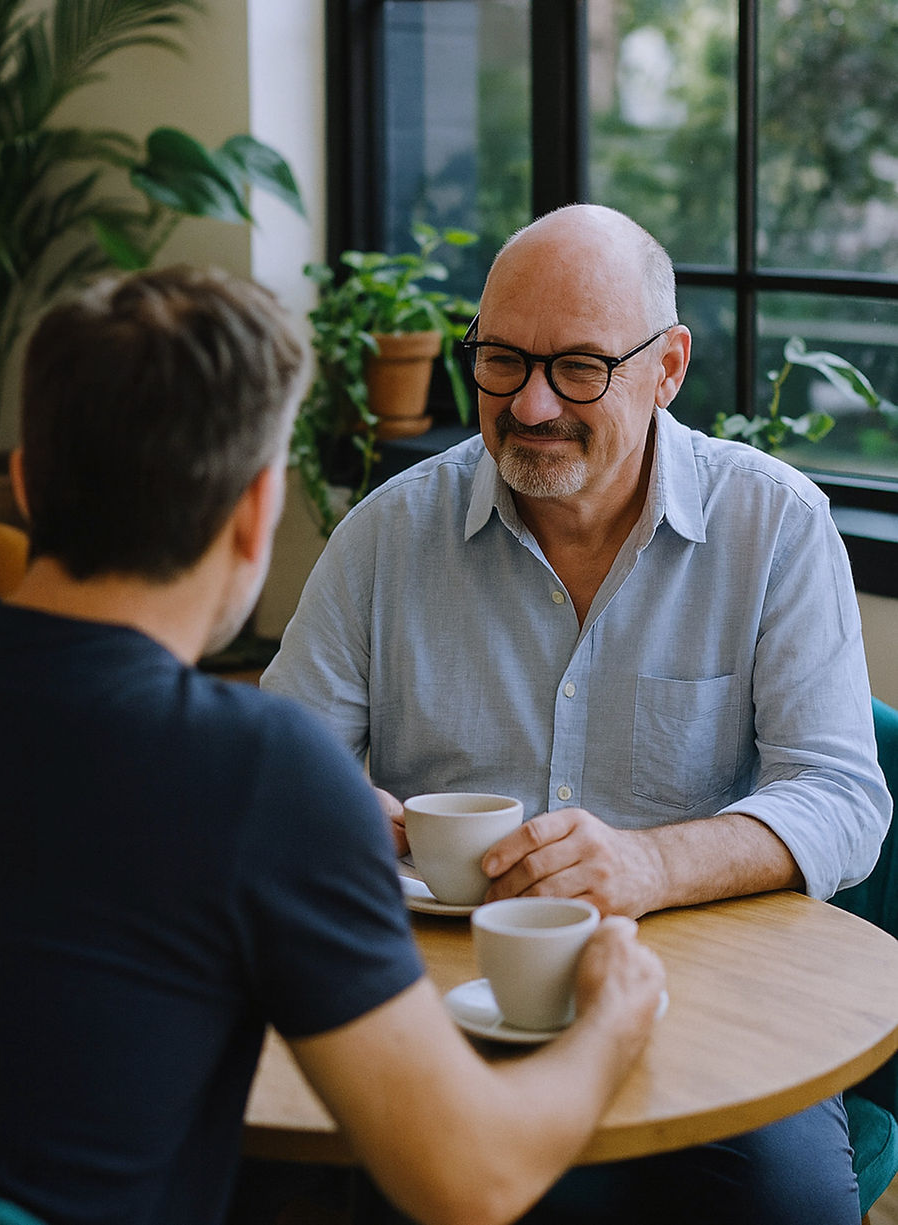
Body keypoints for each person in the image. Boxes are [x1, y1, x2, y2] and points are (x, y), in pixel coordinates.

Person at [0, 265, 665, 1225]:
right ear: (255, 511)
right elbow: (473, 1178)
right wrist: (615, 1013)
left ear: (24, 479)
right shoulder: (257, 773)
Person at [262, 205, 892, 1223]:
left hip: (709, 996)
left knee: (791, 1207)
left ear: (669, 365)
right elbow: (277, 763)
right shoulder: (386, 535)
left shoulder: (770, 525)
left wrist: (650, 865)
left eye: (579, 367)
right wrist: (342, 812)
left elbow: (840, 796)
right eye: (500, 360)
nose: (531, 402)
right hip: (433, 1005)